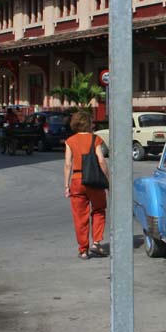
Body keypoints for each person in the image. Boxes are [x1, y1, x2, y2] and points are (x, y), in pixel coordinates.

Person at [63, 110, 109, 260]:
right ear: (89, 123)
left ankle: (83, 250)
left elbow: (68, 164)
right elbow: (101, 161)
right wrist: (108, 179)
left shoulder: (70, 141)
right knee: (99, 210)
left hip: (76, 180)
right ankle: (96, 242)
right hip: (94, 180)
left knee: (80, 216)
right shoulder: (95, 139)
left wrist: (66, 185)